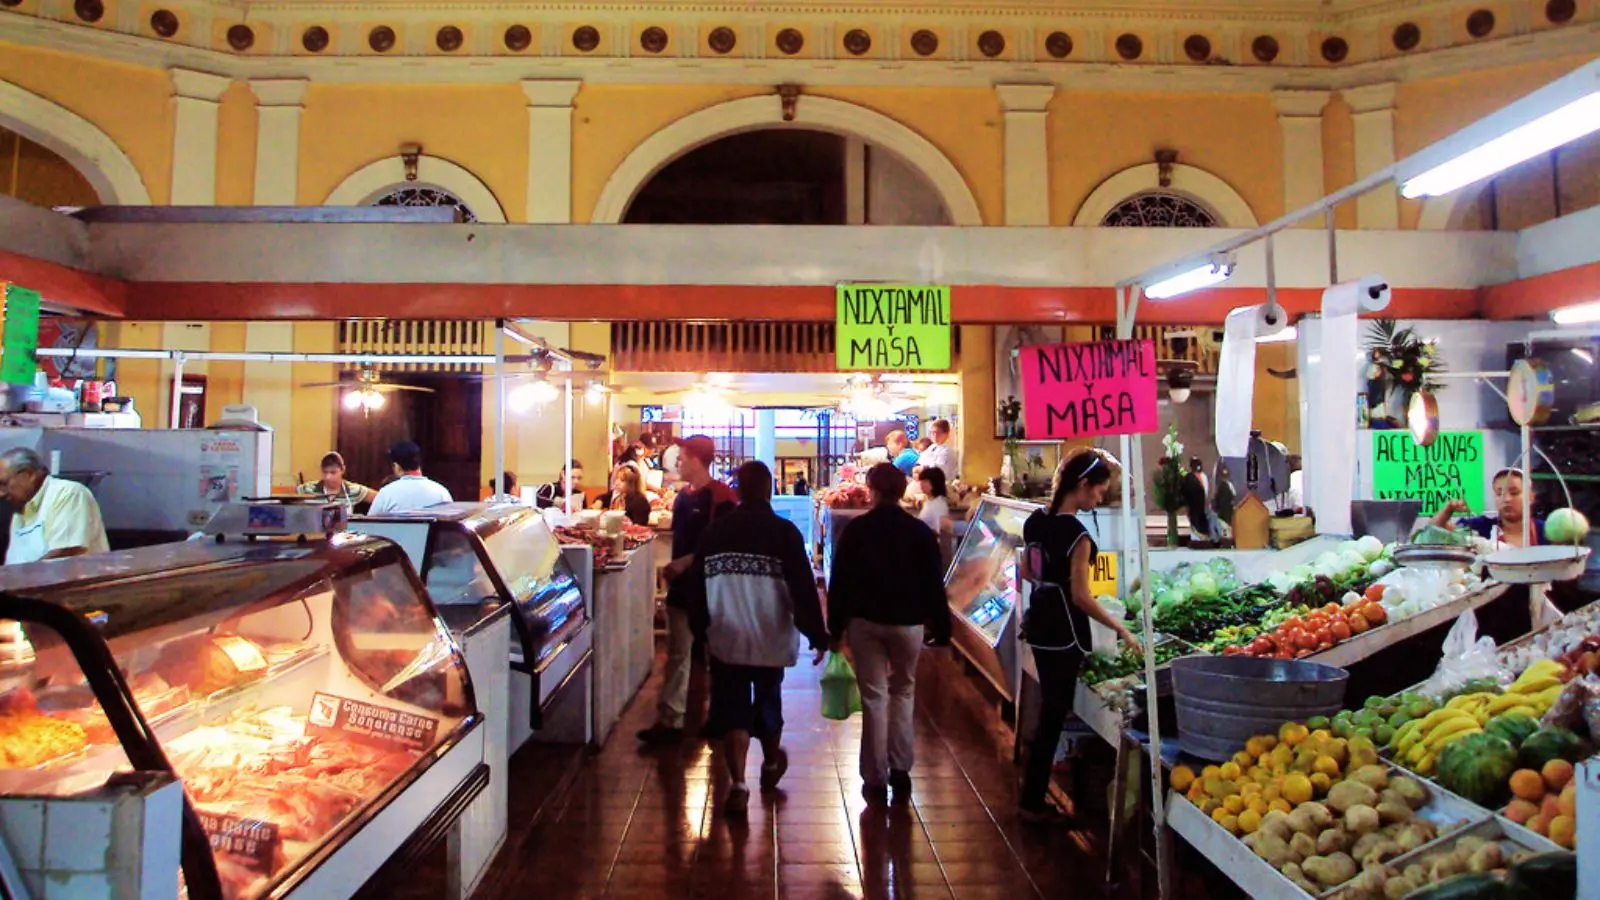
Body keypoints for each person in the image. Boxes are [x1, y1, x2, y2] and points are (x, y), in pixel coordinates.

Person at [686, 461, 826, 817]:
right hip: (770, 634)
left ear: (738, 490)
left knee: (733, 709)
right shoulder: (785, 533)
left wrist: (700, 631)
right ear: (769, 490)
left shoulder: (715, 532)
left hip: (726, 635)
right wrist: (816, 633)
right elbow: (802, 588)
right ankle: (770, 764)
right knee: (768, 701)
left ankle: (738, 783)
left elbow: (696, 586)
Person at [1019, 452, 1143, 824]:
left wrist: (1048, 582)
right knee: (1053, 716)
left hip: (1039, 624)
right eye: (1100, 491)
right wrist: (1121, 628)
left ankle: (1031, 796)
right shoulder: (1077, 535)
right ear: (1083, 485)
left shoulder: (1035, 521)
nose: (1100, 499)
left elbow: (1026, 571)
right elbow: (1081, 596)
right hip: (1064, 631)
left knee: (1049, 712)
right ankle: (1032, 804)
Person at [828, 463, 951, 806]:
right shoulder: (919, 533)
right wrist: (942, 627)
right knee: (904, 691)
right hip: (908, 623)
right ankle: (900, 770)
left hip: (865, 622)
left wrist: (835, 628)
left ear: (872, 490)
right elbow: (934, 582)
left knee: (874, 696)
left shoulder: (856, 530)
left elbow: (840, 582)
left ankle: (874, 777)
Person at [637, 435, 739, 745]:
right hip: (682, 590)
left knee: (717, 655)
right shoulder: (683, 498)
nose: (677, 462)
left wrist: (687, 562)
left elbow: (724, 544)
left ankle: (721, 716)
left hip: (711, 590)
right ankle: (671, 720)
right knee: (678, 654)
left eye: (681, 457)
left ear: (696, 458)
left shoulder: (720, 498)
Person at [0, 448, 109, 564]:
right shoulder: (20, 507)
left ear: (28, 475)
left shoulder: (68, 493)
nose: (1, 493)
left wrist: (19, 576)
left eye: (3, 484)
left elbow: (65, 553)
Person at [1432, 468, 1545, 547]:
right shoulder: (1481, 527)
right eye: (1499, 494)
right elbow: (1433, 533)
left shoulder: (1545, 532)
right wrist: (1448, 509)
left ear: (1530, 497)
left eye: (1514, 493)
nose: (1506, 499)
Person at [367, 441, 453, 515]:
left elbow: (370, 525)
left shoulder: (386, 493)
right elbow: (452, 525)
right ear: (419, 464)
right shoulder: (442, 492)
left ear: (396, 466)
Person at [296, 451, 374, 508]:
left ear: (342, 470)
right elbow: (288, 495)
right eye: (325, 472)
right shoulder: (308, 489)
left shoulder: (354, 490)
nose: (328, 477)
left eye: (333, 472)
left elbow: (380, 500)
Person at [917, 466, 950, 532]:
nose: (921, 484)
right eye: (921, 481)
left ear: (934, 483)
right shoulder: (929, 502)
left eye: (925, 481)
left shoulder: (938, 504)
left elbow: (939, 530)